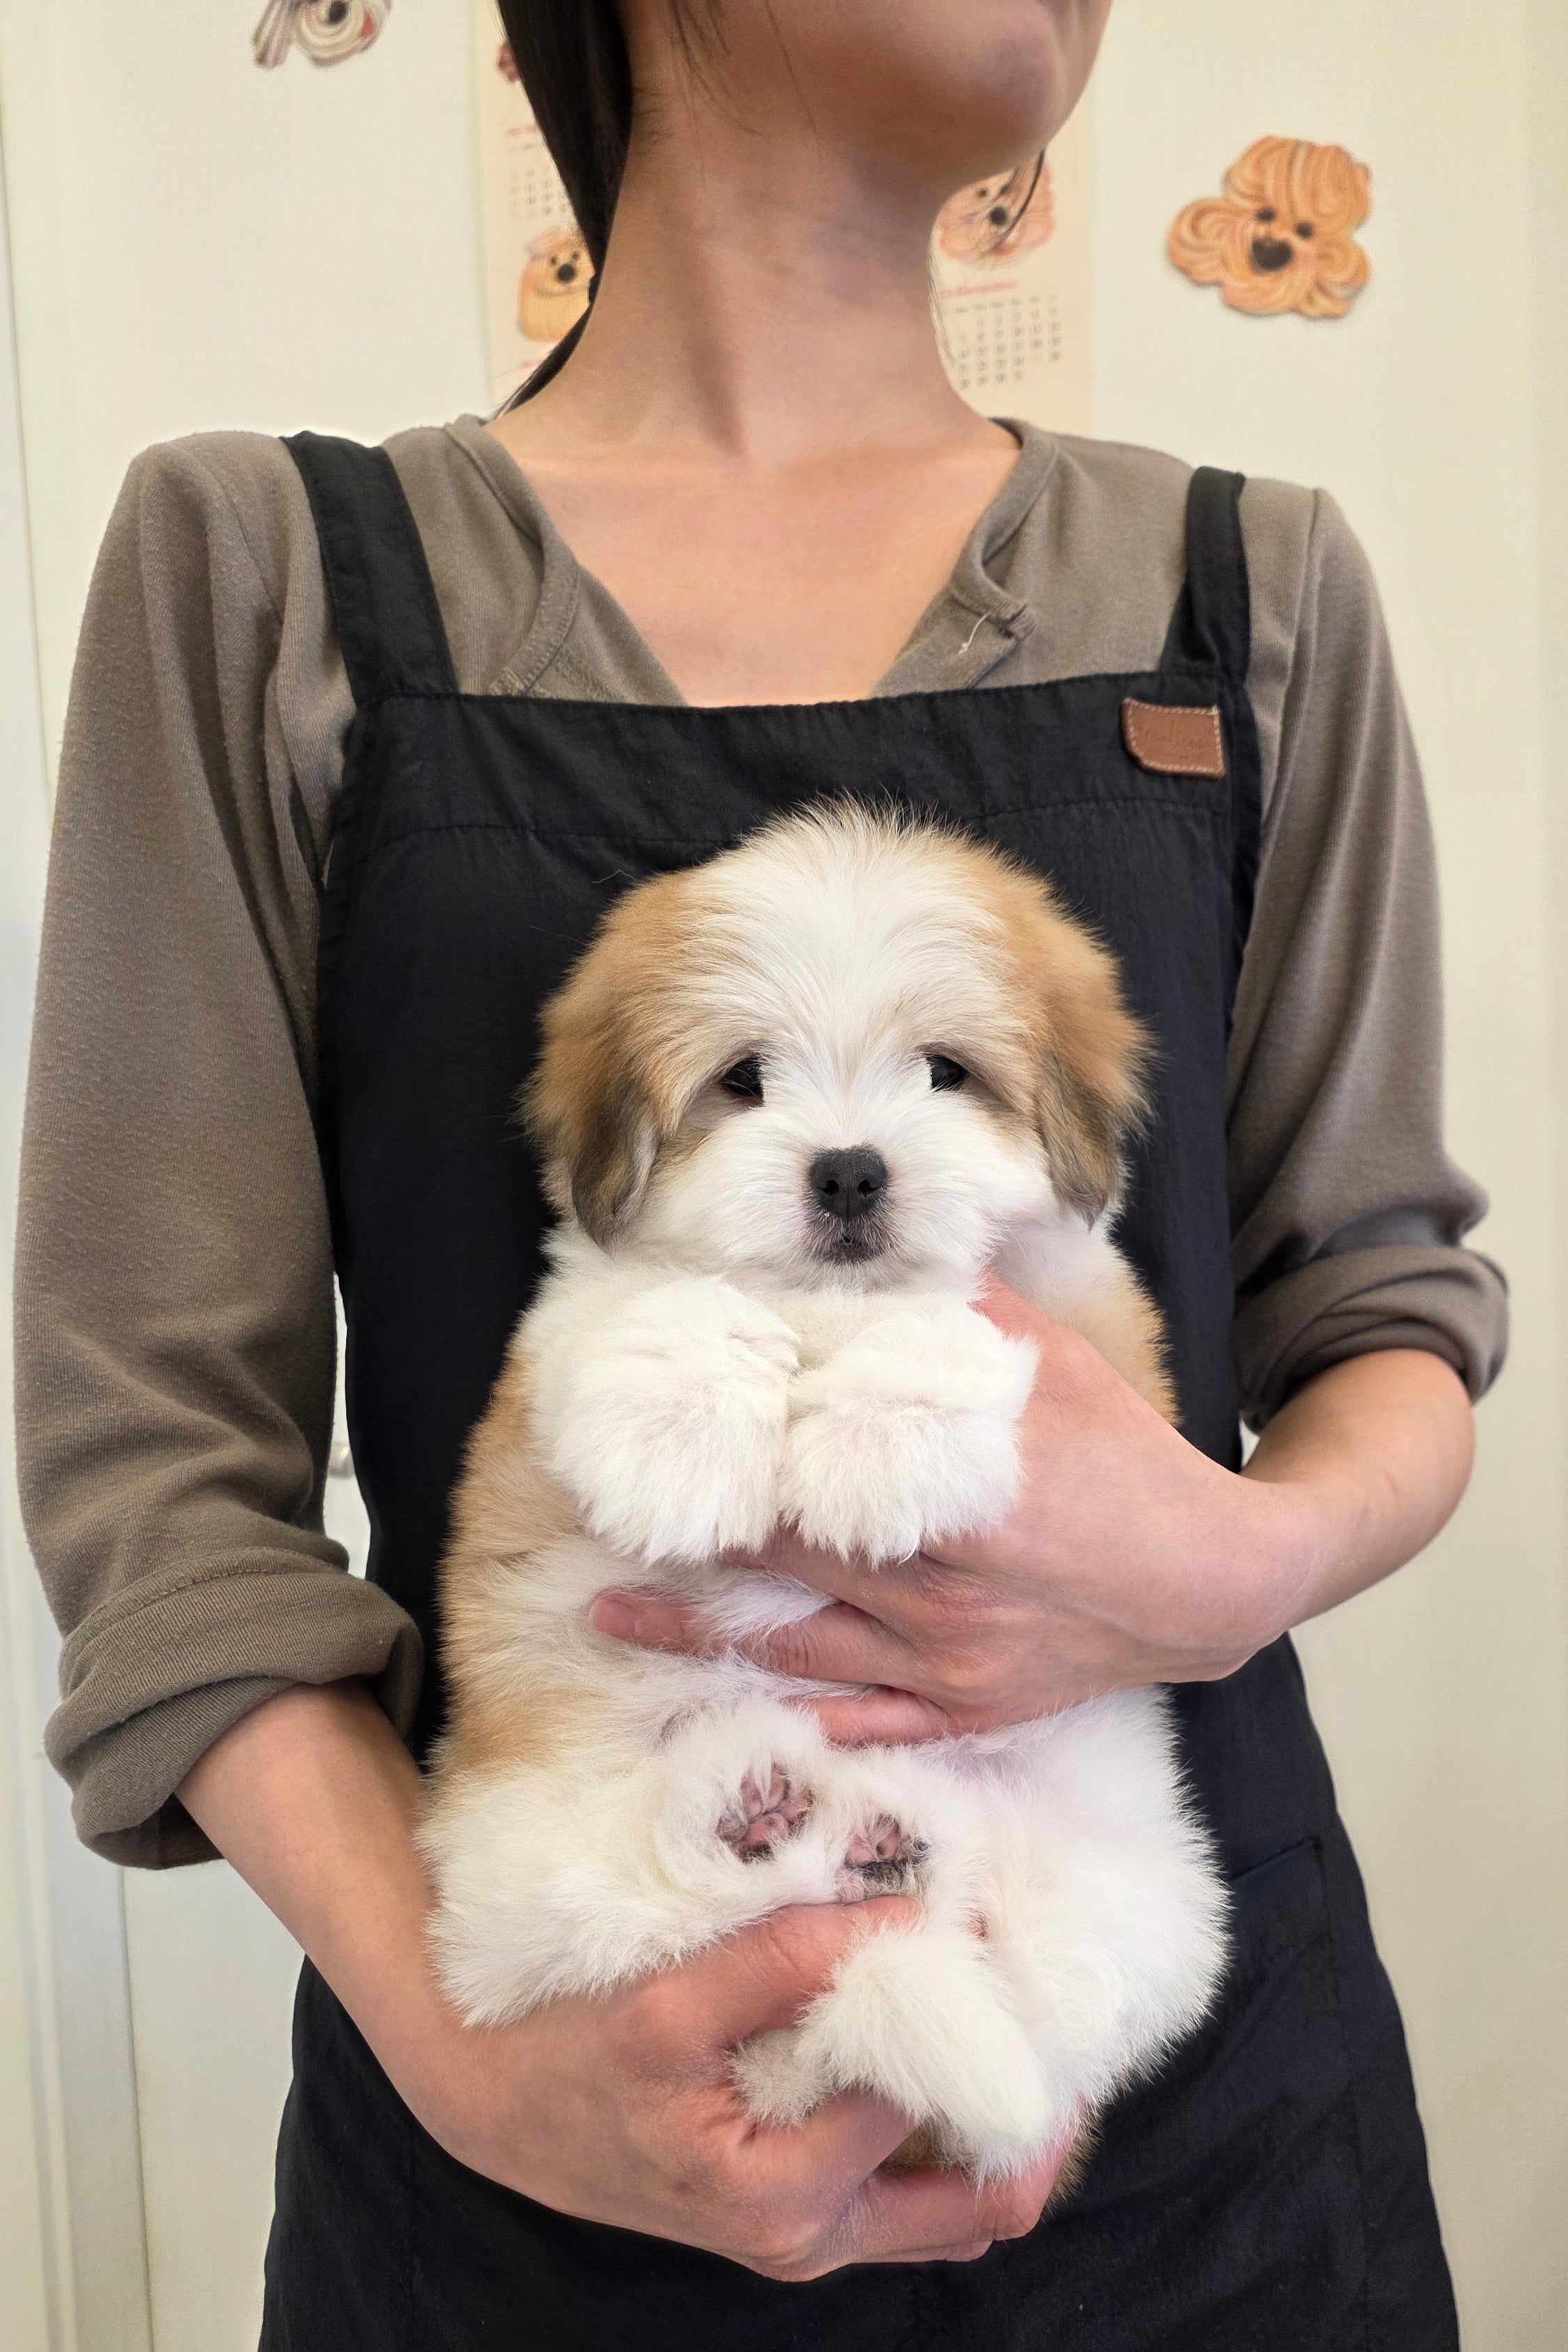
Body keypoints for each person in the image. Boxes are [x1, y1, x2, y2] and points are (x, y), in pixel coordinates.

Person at [15, 1, 1505, 2344]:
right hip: (520, 2126)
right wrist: (476, 2041)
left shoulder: (1250, 591)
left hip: (1189, 2141)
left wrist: (1228, 1556)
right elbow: (149, 1472)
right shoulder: (266, 573)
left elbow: (1391, 1308)